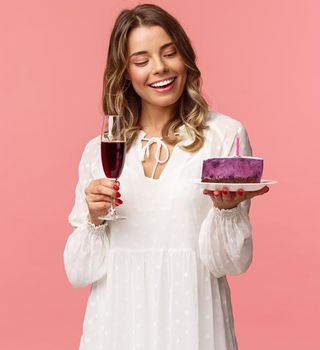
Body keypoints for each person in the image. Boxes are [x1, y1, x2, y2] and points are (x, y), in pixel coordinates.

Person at [62, 4, 269, 349]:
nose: (159, 68)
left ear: (184, 57)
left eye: (169, 53)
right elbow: (79, 272)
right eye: (142, 61)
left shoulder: (224, 135)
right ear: (125, 72)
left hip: (193, 319)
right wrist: (95, 220)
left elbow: (229, 263)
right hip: (117, 322)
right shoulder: (99, 150)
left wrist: (227, 211)